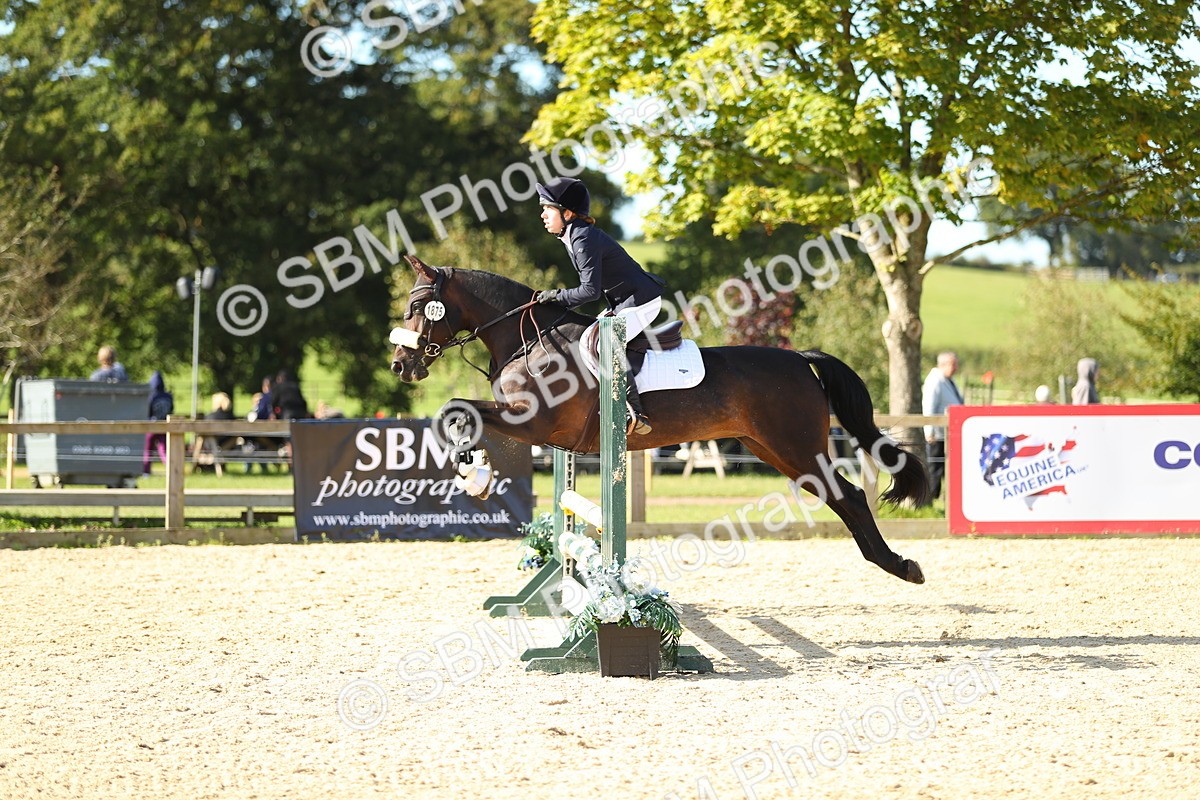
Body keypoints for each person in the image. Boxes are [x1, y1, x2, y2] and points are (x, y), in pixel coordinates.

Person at [533, 176, 665, 435]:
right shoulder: (575, 235)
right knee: (587, 338)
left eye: (548, 209)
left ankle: (635, 413)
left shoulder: (582, 239)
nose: (543, 215)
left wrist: (556, 296)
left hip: (642, 301)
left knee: (604, 342)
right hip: (624, 300)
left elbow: (589, 292)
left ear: (567, 212)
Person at [921, 351, 964, 504]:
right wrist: (929, 431)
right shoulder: (935, 381)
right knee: (935, 468)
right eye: (953, 364)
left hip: (948, 433)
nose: (956, 368)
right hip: (938, 434)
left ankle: (944, 501)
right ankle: (931, 500)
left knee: (946, 468)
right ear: (944, 365)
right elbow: (929, 406)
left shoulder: (947, 380)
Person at [141, 371, 173, 477]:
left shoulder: (151, 396)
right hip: (164, 425)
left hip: (152, 425)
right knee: (163, 449)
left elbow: (148, 411)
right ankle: (170, 468)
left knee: (148, 449)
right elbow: (171, 410)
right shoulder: (168, 396)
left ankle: (146, 471)